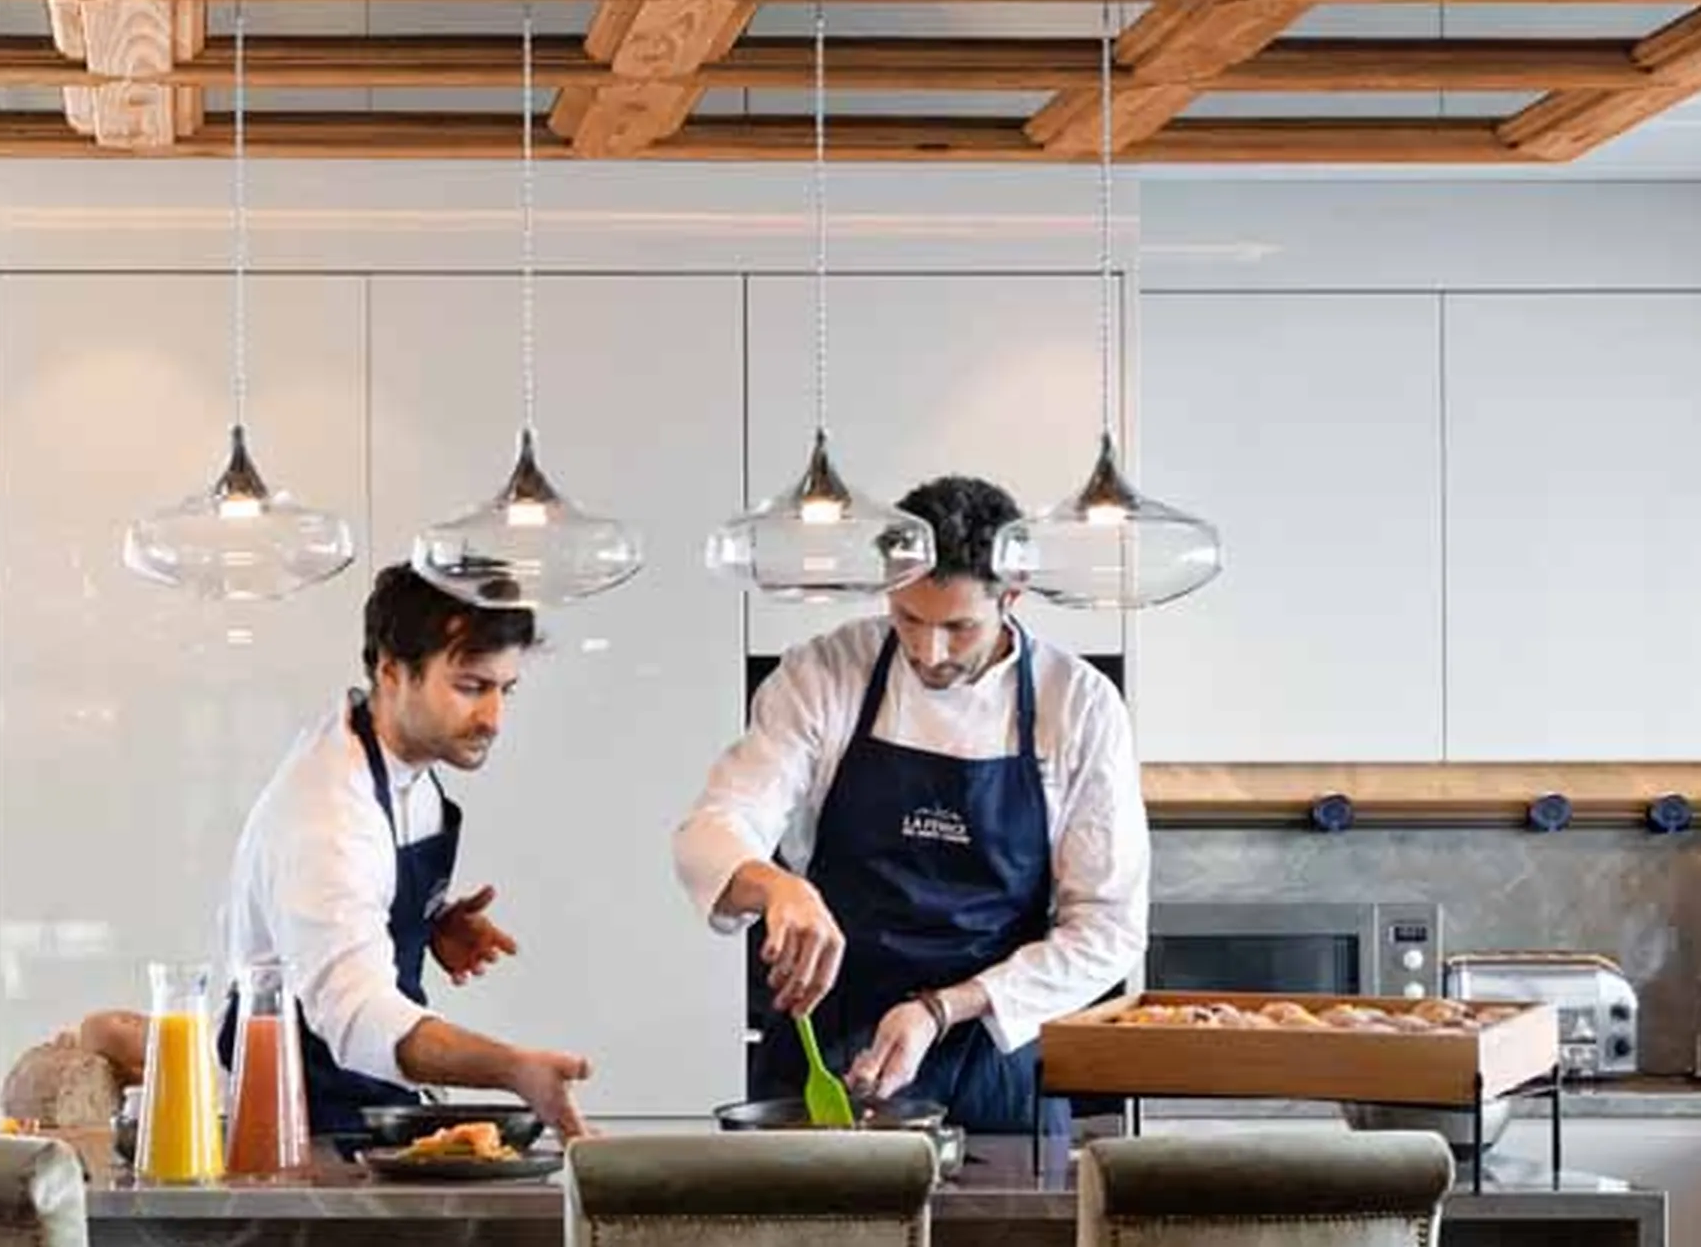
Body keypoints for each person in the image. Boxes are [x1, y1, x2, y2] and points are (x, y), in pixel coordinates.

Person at [672, 473, 1149, 1134]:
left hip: (993, 1056)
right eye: (908, 619)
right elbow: (712, 829)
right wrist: (778, 886)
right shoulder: (826, 672)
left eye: (958, 626)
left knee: (1003, 1241)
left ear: (1013, 595)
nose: (928, 651)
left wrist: (941, 1007)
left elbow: (1107, 927)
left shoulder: (1080, 705)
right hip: (828, 1051)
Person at [211, 563, 595, 1145]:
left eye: (504, 690)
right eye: (470, 687)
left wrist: (423, 923)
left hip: (377, 1106)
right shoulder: (329, 812)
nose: (493, 718)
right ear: (391, 672)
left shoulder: (405, 764)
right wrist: (513, 1069)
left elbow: (360, 900)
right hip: (296, 1130)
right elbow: (359, 1017)